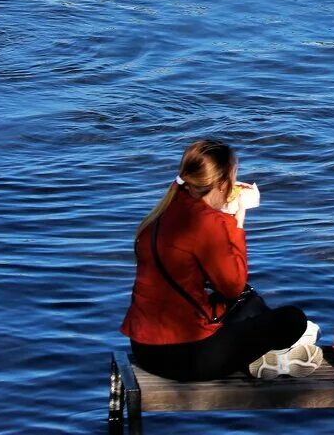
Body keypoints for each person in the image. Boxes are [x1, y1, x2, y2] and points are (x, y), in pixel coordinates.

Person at [120, 139, 323, 381]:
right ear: (223, 183)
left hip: (144, 349)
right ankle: (277, 355)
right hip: (186, 357)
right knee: (292, 319)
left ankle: (266, 356)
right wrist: (238, 216)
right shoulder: (206, 223)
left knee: (249, 301)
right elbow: (232, 285)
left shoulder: (160, 215)